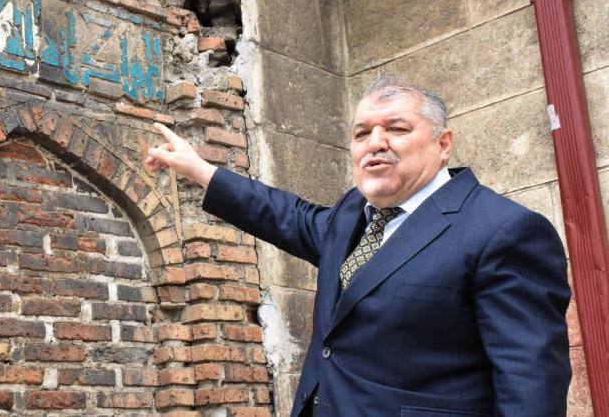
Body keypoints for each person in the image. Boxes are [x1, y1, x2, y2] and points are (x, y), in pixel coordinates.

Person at [143, 76, 571, 417]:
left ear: (443, 144)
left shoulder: (504, 231)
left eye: (397, 129)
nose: (375, 142)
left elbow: (529, 384)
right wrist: (200, 169)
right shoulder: (353, 214)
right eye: (362, 133)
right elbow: (286, 215)